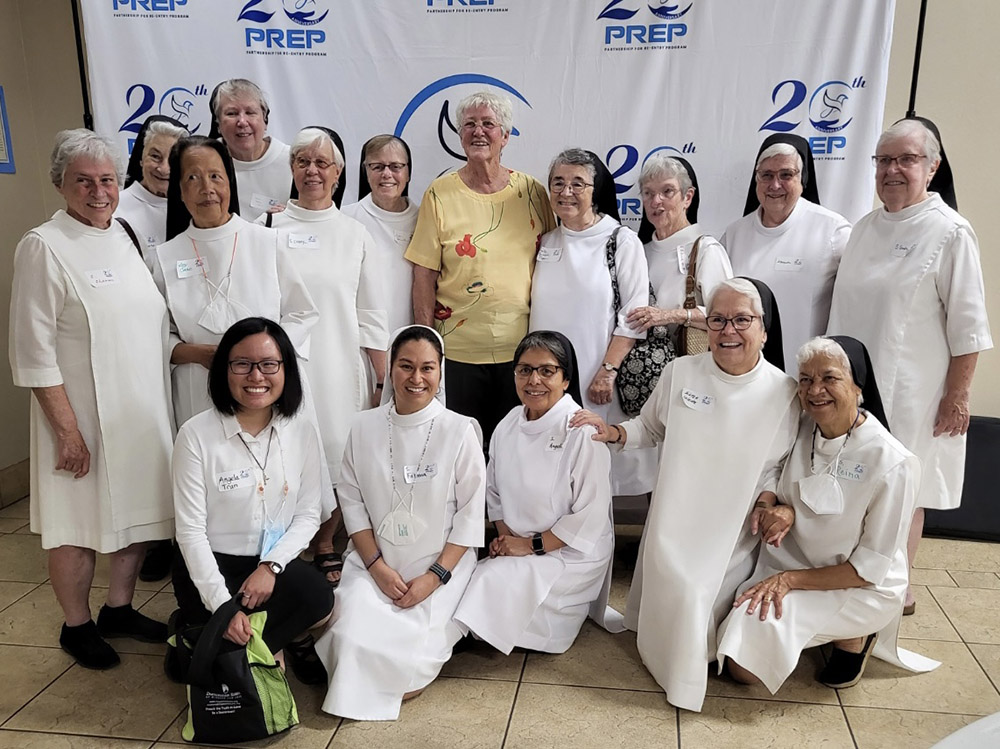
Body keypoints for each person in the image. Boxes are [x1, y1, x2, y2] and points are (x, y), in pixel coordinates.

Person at [571, 278, 799, 712]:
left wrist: (773, 501)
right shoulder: (681, 372)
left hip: (733, 527)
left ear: (764, 329)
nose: (728, 330)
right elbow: (650, 428)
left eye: (741, 320)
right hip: (674, 515)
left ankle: (686, 672)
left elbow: (785, 467)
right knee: (672, 578)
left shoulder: (785, 392)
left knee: (694, 591)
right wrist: (614, 431)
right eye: (717, 320)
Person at [9, 129, 174, 669]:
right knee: (75, 524)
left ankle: (119, 609)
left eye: (107, 179)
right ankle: (76, 625)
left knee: (135, 517)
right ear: (61, 183)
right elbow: (33, 355)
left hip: (136, 414)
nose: (98, 191)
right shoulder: (43, 246)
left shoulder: (123, 234)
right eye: (84, 181)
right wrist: (67, 432)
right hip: (79, 419)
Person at [827, 119, 993, 614]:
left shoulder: (950, 232)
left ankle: (895, 587)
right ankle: (849, 576)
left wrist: (958, 397)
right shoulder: (863, 228)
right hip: (853, 387)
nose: (892, 170)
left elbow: (970, 327)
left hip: (914, 391)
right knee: (854, 481)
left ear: (933, 167)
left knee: (904, 488)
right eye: (884, 160)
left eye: (907, 159)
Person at [716, 336, 939, 691]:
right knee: (722, 645)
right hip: (790, 562)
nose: (815, 390)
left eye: (829, 378)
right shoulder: (802, 427)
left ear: (858, 387)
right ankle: (814, 632)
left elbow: (868, 569)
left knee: (745, 670)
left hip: (859, 585)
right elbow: (775, 468)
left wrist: (788, 582)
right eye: (805, 379)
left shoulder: (893, 463)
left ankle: (856, 636)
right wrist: (774, 505)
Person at [317, 325, 486, 721]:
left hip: (441, 563)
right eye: (406, 366)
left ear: (441, 372)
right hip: (376, 560)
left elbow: (471, 512)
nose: (416, 378)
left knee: (408, 679)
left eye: (428, 368)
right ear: (390, 369)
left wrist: (434, 576)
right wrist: (376, 567)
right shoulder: (364, 427)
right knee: (349, 640)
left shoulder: (460, 429)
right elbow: (353, 503)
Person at [172, 318, 333, 683]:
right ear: (224, 371)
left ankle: (249, 642)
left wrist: (271, 567)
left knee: (319, 598)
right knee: (230, 659)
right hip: (213, 565)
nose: (255, 376)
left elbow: (308, 515)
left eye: (268, 364)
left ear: (286, 370)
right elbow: (191, 533)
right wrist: (222, 608)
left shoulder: (302, 431)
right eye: (241, 364)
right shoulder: (195, 435)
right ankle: (256, 640)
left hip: (269, 565)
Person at [264, 127, 389, 585]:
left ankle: (324, 540)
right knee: (286, 453)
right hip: (283, 369)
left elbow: (372, 313)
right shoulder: (267, 228)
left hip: (341, 366)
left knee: (338, 452)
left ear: (338, 174)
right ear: (291, 169)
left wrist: (380, 380)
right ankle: (284, 540)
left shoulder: (355, 234)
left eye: (323, 163)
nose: (312, 170)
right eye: (303, 161)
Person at [454, 331, 622, 653]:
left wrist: (530, 546)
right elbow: (494, 493)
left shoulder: (582, 431)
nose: (534, 380)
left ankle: (446, 644)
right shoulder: (507, 425)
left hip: (570, 553)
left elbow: (591, 515)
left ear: (565, 379)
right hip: (519, 545)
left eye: (547, 370)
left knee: (489, 582)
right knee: (472, 576)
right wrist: (506, 540)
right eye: (525, 370)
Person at [405, 90, 556, 450]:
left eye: (489, 124)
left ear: (505, 136)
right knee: (463, 453)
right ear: (459, 135)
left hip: (523, 353)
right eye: (469, 124)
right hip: (458, 352)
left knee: (516, 453)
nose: (479, 132)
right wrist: (428, 344)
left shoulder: (532, 192)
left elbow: (556, 257)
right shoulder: (439, 194)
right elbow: (423, 273)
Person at [152, 135, 318, 429]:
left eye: (216, 176)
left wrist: (263, 357)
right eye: (193, 177)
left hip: (265, 387)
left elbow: (302, 313)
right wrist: (200, 354)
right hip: (198, 390)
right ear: (179, 189)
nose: (208, 189)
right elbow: (157, 335)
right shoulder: (165, 257)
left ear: (229, 181)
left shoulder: (266, 242)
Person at [528, 148, 653, 496]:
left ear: (595, 191)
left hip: (598, 375)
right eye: (558, 183)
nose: (566, 192)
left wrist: (608, 370)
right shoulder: (546, 241)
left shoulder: (620, 240)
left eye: (578, 184)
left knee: (598, 469)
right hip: (547, 379)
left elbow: (634, 315)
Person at [722, 134, 851, 375]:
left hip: (808, 375)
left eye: (786, 175)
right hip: (744, 372)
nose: (775, 185)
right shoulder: (735, 234)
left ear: (802, 179)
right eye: (766, 175)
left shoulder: (833, 230)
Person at [629, 153, 732, 350]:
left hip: (690, 367)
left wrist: (669, 315)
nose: (656, 201)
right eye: (648, 193)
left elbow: (727, 316)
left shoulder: (706, 250)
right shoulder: (638, 252)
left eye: (667, 191)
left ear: (688, 197)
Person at [342, 134, 420, 333]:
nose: (387, 174)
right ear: (365, 171)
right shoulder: (345, 219)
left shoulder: (425, 220)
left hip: (410, 341)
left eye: (396, 166)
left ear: (408, 172)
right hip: (359, 339)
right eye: (377, 167)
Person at [211, 78, 292, 220]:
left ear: (265, 119)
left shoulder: (294, 162)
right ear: (218, 124)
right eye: (232, 113)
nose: (242, 122)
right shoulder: (205, 162)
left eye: (250, 112)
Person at [116, 115, 188, 271]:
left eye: (173, 160)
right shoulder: (116, 208)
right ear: (141, 158)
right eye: (155, 156)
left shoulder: (193, 208)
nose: (163, 169)